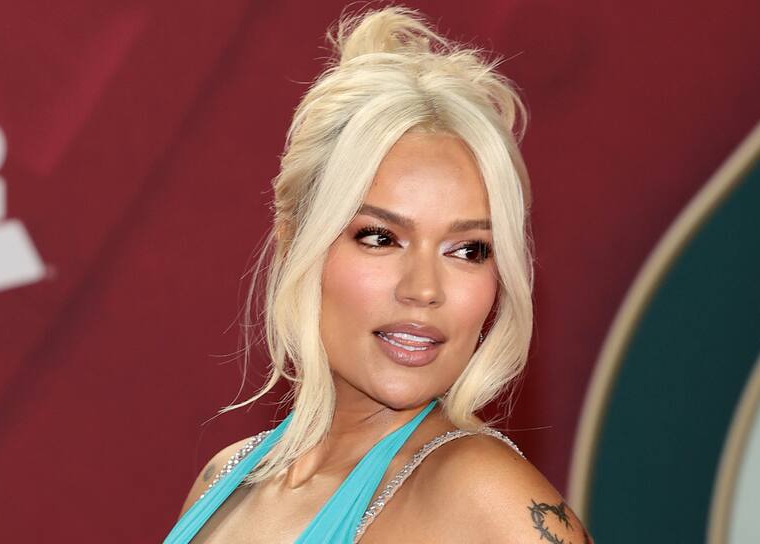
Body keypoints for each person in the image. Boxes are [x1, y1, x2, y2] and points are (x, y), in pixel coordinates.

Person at [163, 5, 591, 543]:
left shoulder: (484, 499)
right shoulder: (224, 482)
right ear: (295, 243)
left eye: (468, 250)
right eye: (381, 238)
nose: (424, 289)